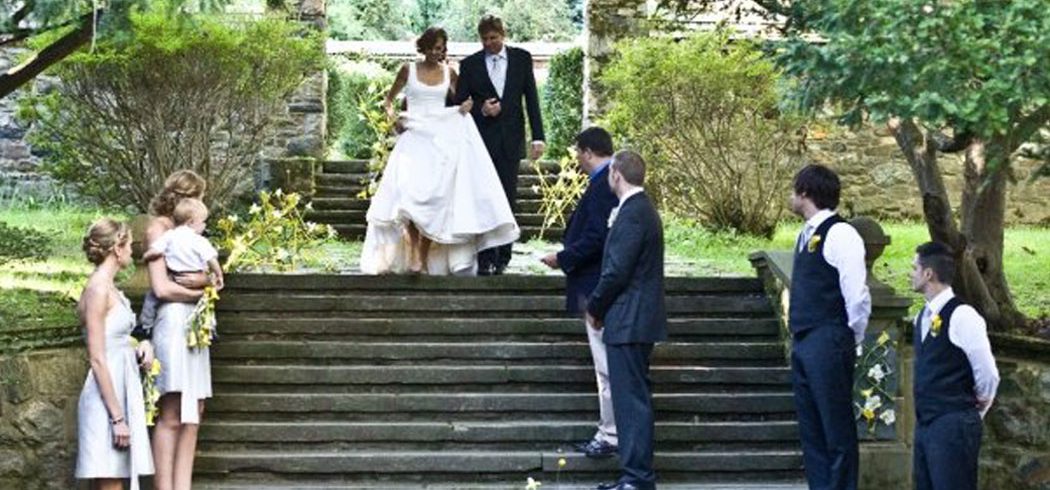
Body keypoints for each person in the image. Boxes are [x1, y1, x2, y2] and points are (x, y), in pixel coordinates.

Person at [361, 26, 519, 276]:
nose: (438, 53)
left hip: (440, 142)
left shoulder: (450, 73)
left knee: (435, 200)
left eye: (442, 49)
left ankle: (422, 257)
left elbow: (463, 100)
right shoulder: (407, 70)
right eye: (434, 48)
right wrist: (394, 120)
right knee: (408, 197)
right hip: (412, 138)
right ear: (423, 47)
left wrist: (469, 106)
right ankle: (413, 253)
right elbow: (388, 100)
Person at [586, 150, 667, 490]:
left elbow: (617, 271)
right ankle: (634, 476)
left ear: (616, 174)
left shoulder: (633, 214)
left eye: (609, 173)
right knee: (631, 401)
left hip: (629, 320)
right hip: (633, 319)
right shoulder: (638, 210)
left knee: (630, 403)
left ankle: (637, 478)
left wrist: (595, 306)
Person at [787, 164, 871, 490]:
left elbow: (857, 295)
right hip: (805, 339)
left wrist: (851, 336)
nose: (790, 196)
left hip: (830, 336)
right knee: (812, 430)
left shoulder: (841, 234)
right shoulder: (804, 235)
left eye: (794, 189)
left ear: (805, 192)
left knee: (836, 430)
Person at [540, 127, 619, 458]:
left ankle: (611, 434)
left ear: (587, 152)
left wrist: (563, 258)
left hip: (597, 285)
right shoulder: (609, 181)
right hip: (599, 284)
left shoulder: (605, 184)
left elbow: (596, 237)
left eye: (577, 154)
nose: (577, 161)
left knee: (606, 366)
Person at [454, 14, 546, 275]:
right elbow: (459, 104)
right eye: (484, 39)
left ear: (502, 35)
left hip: (511, 140)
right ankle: (484, 257)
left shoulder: (522, 58)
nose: (489, 43)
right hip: (481, 143)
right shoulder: (470, 65)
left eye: (493, 38)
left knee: (507, 197)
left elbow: (531, 99)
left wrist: (538, 136)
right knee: (482, 199)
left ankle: (504, 255)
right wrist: (481, 111)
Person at [910, 241, 999, 490]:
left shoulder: (963, 316)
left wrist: (971, 409)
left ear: (929, 274)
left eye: (914, 268)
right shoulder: (921, 318)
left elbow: (988, 373)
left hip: (953, 424)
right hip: (926, 426)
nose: (910, 273)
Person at [75, 218, 154, 490]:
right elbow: (97, 356)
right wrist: (117, 418)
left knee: (118, 476)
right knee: (110, 479)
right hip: (104, 396)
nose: (133, 250)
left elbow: (116, 339)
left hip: (122, 385)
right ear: (117, 249)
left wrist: (140, 346)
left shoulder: (110, 288)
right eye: (129, 244)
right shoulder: (97, 289)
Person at [144, 170, 211, 490]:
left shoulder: (192, 232)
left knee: (194, 409)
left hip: (196, 325)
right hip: (172, 321)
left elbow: (207, 274)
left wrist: (205, 282)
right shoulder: (158, 229)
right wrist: (199, 293)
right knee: (171, 410)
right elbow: (161, 288)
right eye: (198, 197)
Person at [143, 198, 224, 293]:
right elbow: (211, 260)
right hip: (196, 279)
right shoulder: (199, 240)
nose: (204, 225)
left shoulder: (169, 235)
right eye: (202, 222)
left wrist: (145, 257)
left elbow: (155, 251)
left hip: (175, 279)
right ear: (191, 222)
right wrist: (219, 275)